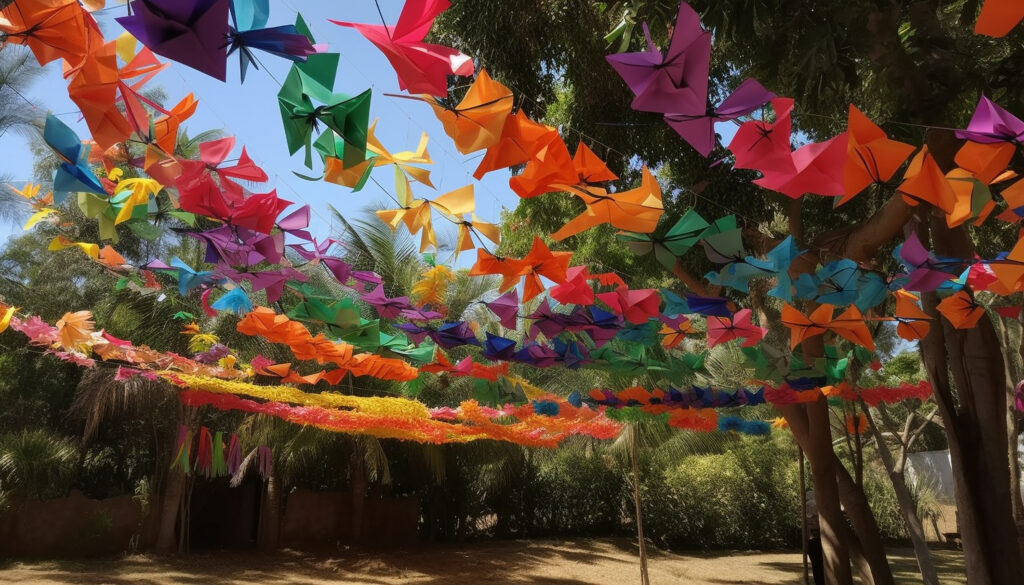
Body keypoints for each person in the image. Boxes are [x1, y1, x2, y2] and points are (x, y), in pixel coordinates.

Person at [805, 490, 824, 585]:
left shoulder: (813, 508)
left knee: (819, 569)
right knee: (818, 569)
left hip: (817, 542)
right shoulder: (810, 509)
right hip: (814, 542)